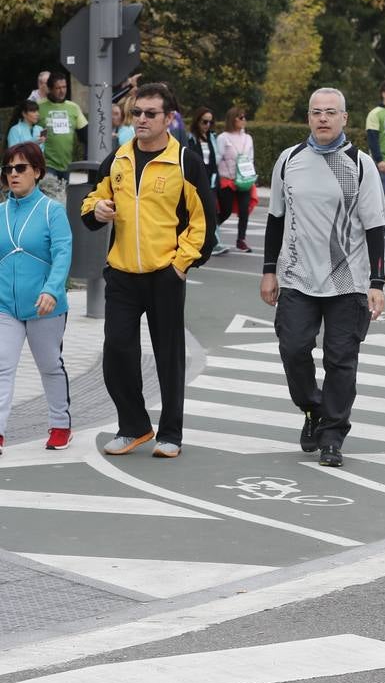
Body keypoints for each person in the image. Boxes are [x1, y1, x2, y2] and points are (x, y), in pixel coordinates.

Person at [80, 82, 216, 459]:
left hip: (165, 274)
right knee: (117, 351)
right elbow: (93, 199)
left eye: (150, 114)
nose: (141, 119)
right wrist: (97, 210)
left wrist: (180, 264)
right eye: (137, 112)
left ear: (168, 119)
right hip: (122, 273)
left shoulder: (184, 161)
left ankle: (171, 433)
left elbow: (205, 221)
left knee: (168, 356)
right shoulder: (119, 158)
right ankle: (134, 426)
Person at [261, 88, 385, 469]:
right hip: (298, 277)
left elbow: (376, 227)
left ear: (345, 118)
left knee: (341, 360)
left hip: (346, 281)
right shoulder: (289, 160)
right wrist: (269, 271)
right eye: (316, 112)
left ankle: (333, 436)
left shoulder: (360, 165)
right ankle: (312, 407)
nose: (323, 119)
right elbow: (275, 219)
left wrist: (377, 283)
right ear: (308, 117)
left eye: (331, 112)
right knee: (293, 347)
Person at [0, 142, 73, 454]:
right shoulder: (1, 212)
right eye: (8, 169)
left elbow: (62, 254)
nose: (13, 174)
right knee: (2, 367)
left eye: (21, 168)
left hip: (46, 305)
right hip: (5, 306)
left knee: (49, 366)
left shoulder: (52, 211)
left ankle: (60, 425)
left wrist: (52, 290)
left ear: (37, 172)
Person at [186, 108, 228, 257]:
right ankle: (213, 242)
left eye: (211, 122)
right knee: (202, 212)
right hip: (195, 181)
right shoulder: (190, 138)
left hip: (211, 181)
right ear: (197, 121)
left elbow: (215, 159)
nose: (207, 125)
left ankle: (210, 241)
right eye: (204, 121)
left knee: (213, 211)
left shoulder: (212, 137)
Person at [216, 106, 258, 253]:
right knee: (225, 211)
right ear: (233, 119)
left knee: (244, 210)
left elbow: (250, 158)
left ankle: (241, 240)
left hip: (244, 180)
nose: (244, 120)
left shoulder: (248, 138)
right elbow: (217, 158)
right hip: (227, 180)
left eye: (244, 117)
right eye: (241, 118)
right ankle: (209, 231)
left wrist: (251, 175)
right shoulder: (223, 138)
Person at [37, 72, 87, 196]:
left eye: (64, 87)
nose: (62, 91)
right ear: (50, 89)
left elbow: (86, 134)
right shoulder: (39, 106)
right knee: (51, 195)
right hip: (47, 163)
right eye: (58, 88)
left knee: (63, 198)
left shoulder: (73, 107)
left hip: (66, 164)